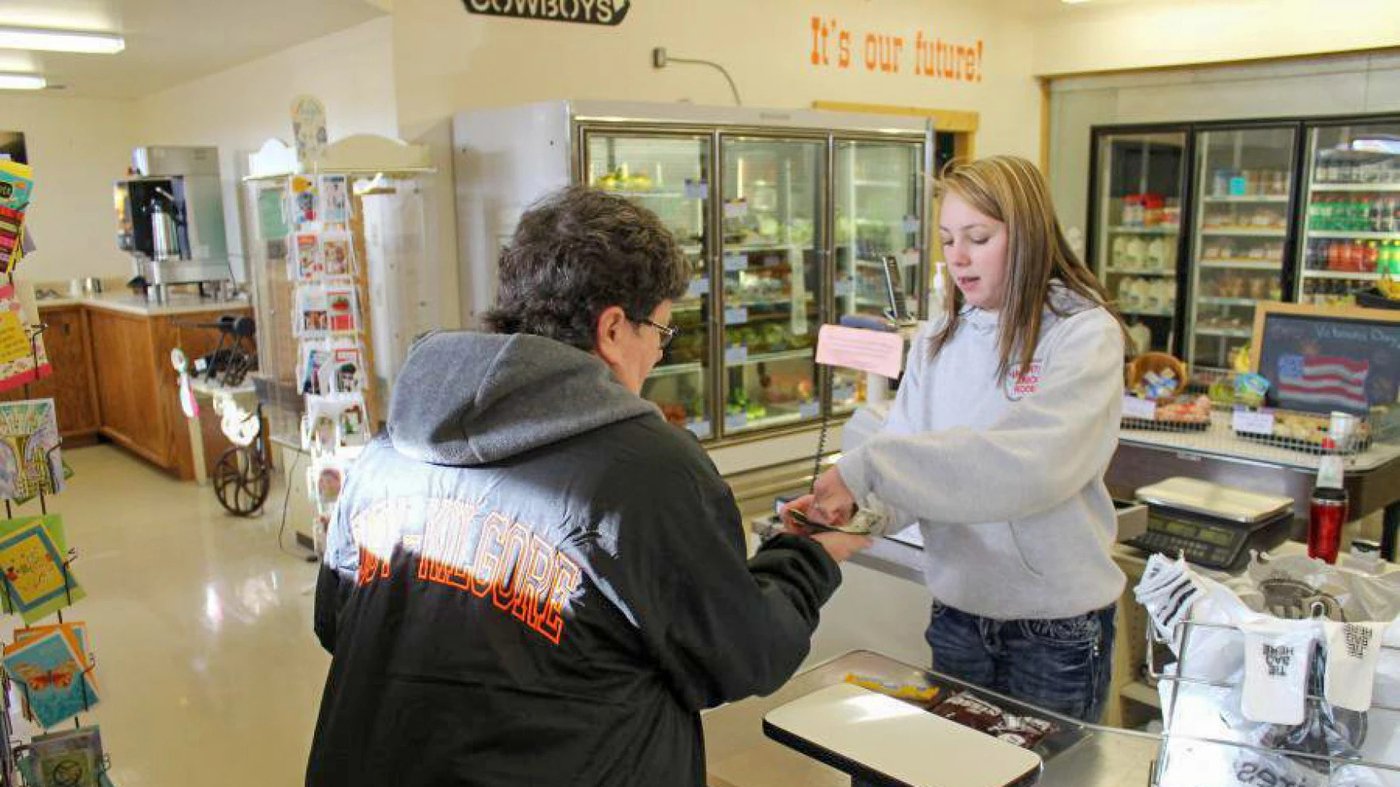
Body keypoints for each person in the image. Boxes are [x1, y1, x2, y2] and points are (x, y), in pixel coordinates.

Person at [307, 186, 869, 787]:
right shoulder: (649, 469)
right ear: (612, 329)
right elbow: (742, 657)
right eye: (660, 330)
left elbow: (336, 622)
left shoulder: (390, 448)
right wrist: (806, 557)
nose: (657, 353)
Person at [786, 155, 1128, 723]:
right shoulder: (938, 340)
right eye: (947, 240)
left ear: (1030, 236)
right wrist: (849, 513)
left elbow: (1029, 466)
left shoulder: (1082, 334)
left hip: (1056, 632)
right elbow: (909, 469)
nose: (959, 257)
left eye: (979, 237)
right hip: (958, 616)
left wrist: (867, 469)